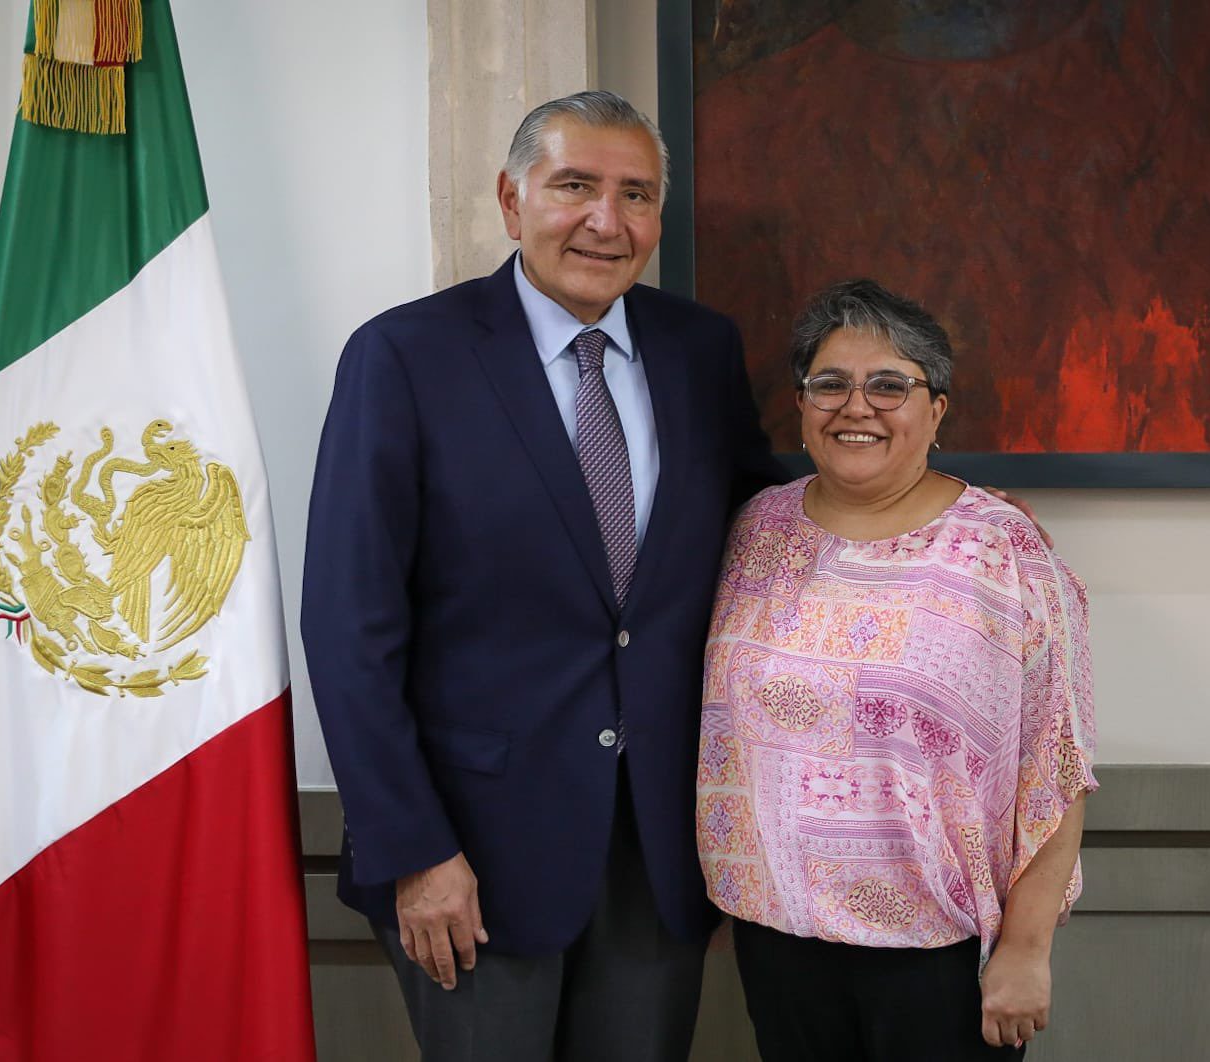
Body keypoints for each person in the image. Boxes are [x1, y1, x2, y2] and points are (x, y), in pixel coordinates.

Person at [301, 91, 782, 1061]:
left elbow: (765, 528)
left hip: (655, 851)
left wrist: (938, 516)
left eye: (635, 194)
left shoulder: (701, 351)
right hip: (469, 853)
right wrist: (414, 849)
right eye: (575, 186)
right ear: (511, 200)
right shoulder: (404, 356)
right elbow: (348, 629)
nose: (607, 220)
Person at [697, 279, 1097, 1060]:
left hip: (936, 953)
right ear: (802, 404)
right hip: (776, 936)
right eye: (831, 383)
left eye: (889, 385)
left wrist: (1026, 949)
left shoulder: (1004, 551)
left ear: (936, 409)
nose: (858, 406)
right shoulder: (752, 530)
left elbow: (1057, 765)